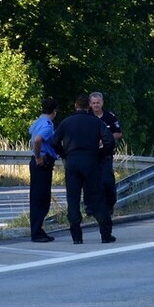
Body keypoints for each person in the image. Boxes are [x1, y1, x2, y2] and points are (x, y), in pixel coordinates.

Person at [49, 94, 116, 244]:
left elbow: (53, 142)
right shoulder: (95, 122)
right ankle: (105, 234)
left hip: (72, 162)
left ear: (75, 106)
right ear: (89, 106)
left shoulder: (66, 122)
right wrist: (101, 154)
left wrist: (64, 154)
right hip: (91, 161)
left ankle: (76, 236)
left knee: (73, 198)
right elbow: (109, 140)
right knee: (97, 197)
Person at [28, 97, 58, 243]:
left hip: (36, 162)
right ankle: (37, 231)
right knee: (42, 198)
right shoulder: (47, 125)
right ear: (54, 111)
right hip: (43, 162)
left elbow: (32, 134)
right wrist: (39, 156)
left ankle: (37, 229)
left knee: (36, 197)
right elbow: (38, 140)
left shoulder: (37, 122)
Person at [89, 91, 122, 215]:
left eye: (98, 103)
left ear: (102, 103)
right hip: (91, 156)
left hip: (106, 155)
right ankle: (92, 208)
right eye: (93, 103)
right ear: (90, 104)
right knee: (91, 183)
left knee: (107, 182)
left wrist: (106, 139)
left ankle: (110, 205)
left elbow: (118, 133)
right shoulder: (87, 117)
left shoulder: (110, 117)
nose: (96, 105)